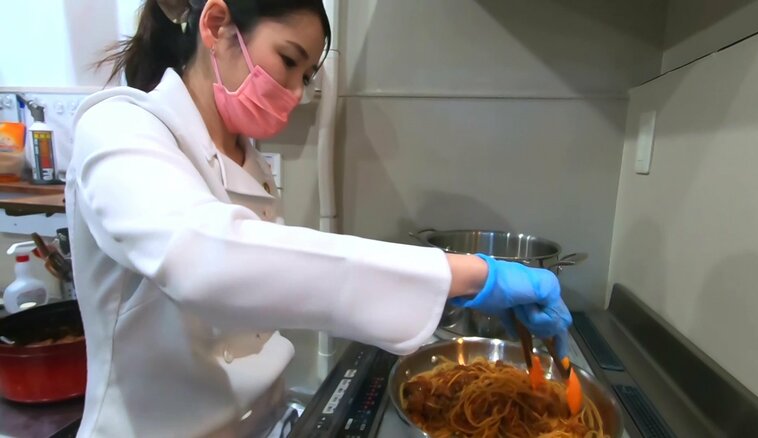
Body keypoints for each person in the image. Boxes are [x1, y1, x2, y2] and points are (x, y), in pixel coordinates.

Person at [67, 0, 573, 436]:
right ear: (217, 25)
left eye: (306, 77)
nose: (294, 92)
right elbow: (205, 260)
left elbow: (274, 289)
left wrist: (448, 292)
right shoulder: (119, 128)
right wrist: (469, 274)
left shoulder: (253, 163)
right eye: (288, 61)